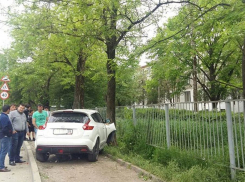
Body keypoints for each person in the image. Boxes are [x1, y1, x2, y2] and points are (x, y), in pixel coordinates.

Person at [0, 105, 12, 172]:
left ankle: (1, 165)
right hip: (5, 136)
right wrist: (9, 134)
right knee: (3, 152)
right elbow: (5, 128)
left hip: (3, 136)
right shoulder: (4, 117)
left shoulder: (3, 116)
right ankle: (1, 167)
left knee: (2, 151)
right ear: (8, 109)